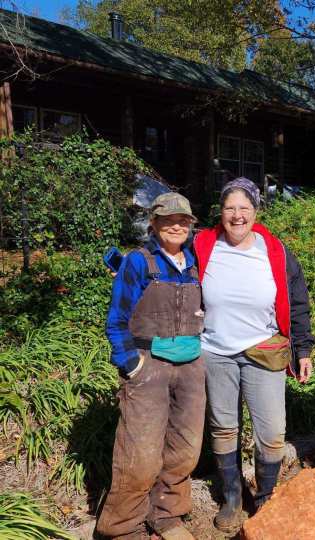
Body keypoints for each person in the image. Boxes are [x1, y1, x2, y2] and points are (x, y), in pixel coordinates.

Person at [193, 178, 315, 532]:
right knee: (223, 426)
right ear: (220, 212)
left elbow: (298, 301)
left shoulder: (274, 249)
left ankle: (264, 497)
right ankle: (231, 498)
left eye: (244, 208)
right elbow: (171, 268)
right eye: (229, 208)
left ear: (256, 211)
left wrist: (303, 348)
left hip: (264, 349)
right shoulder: (202, 244)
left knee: (273, 432)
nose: (237, 215)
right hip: (215, 351)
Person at [99, 193, 205, 540]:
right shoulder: (138, 262)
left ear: (190, 226)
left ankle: (167, 515)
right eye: (167, 219)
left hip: (190, 368)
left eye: (183, 220)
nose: (176, 225)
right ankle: (122, 528)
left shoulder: (194, 263)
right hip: (150, 367)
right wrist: (131, 364)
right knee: (140, 455)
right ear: (154, 223)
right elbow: (116, 320)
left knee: (185, 451)